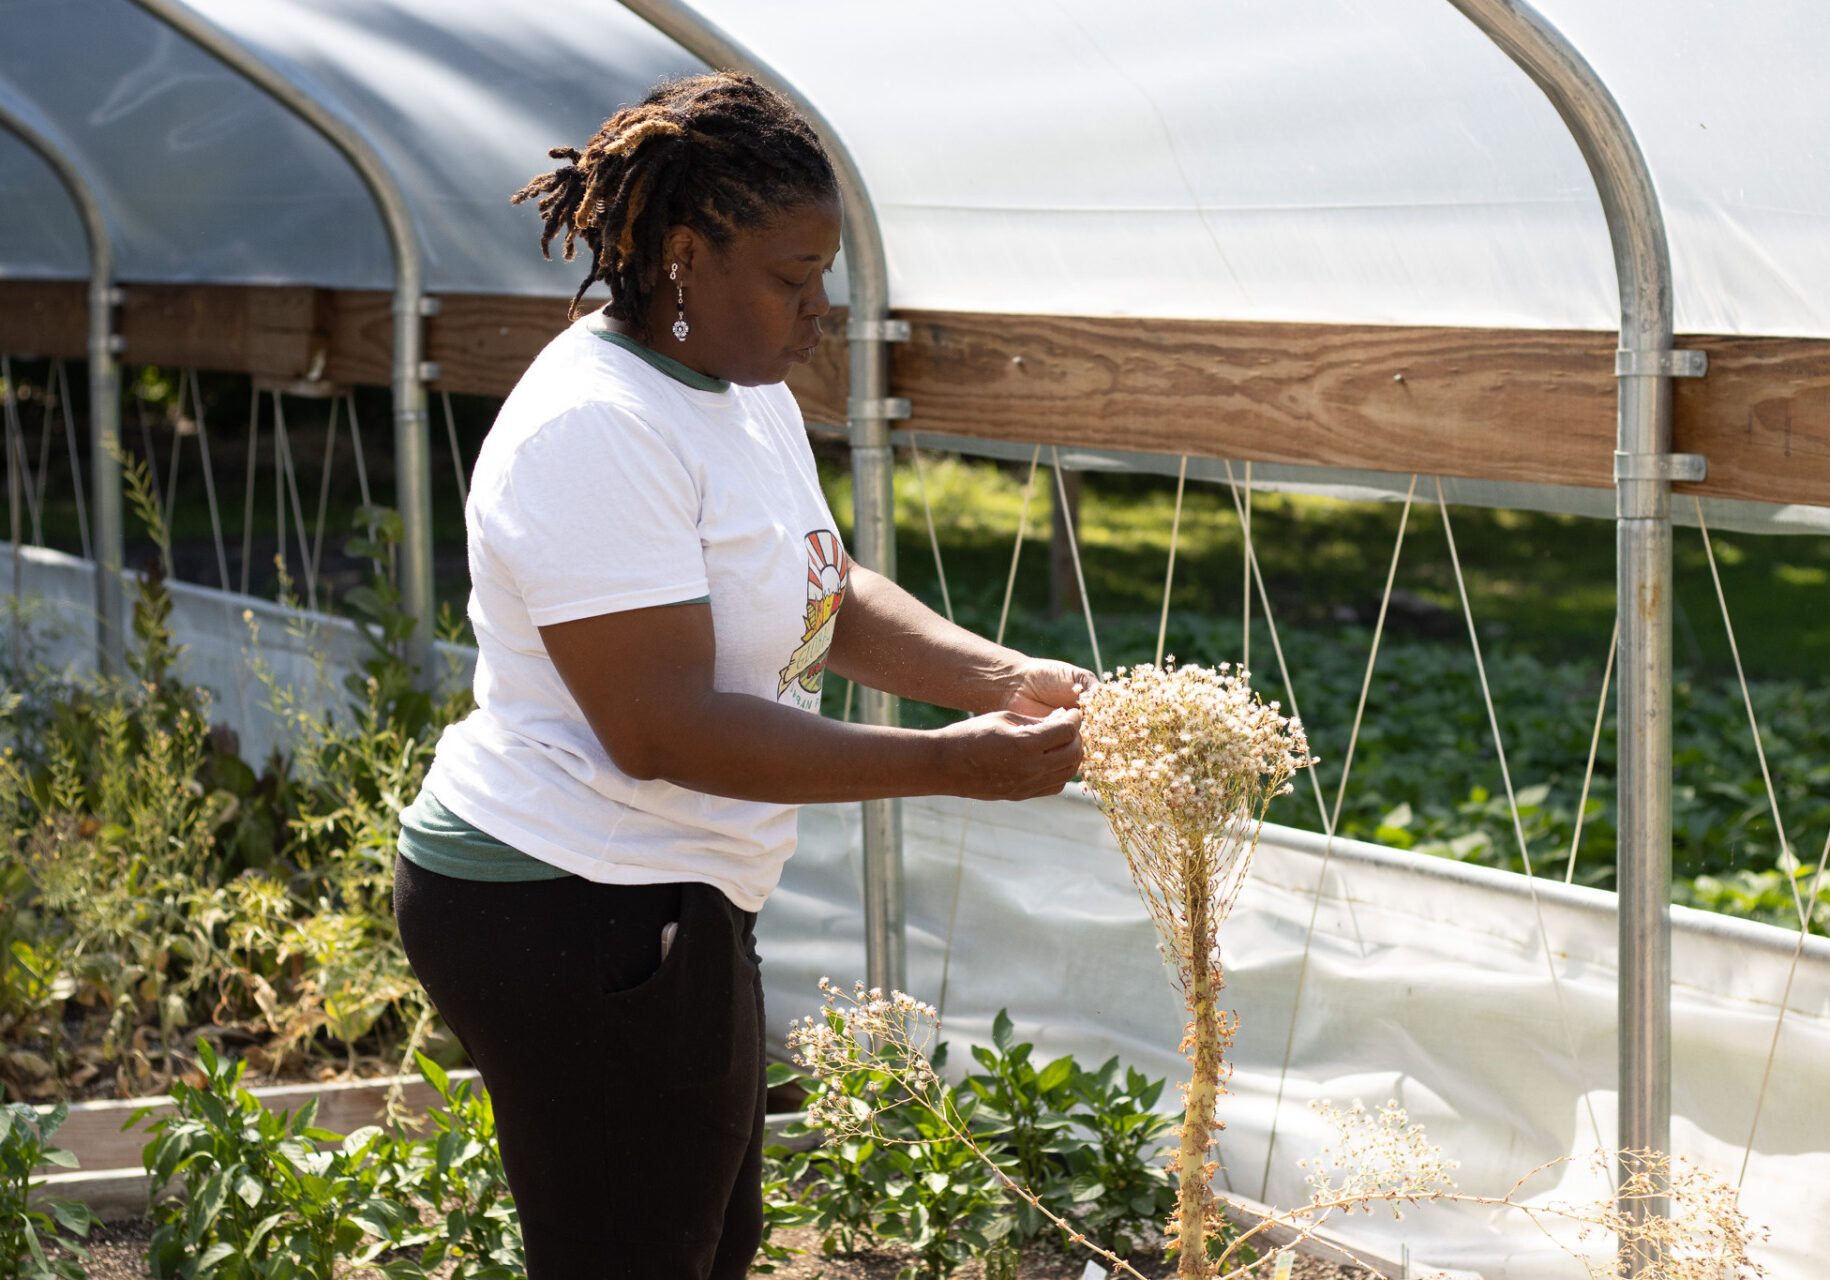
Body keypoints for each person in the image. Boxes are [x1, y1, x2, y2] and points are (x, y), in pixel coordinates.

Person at [392, 72, 1091, 1280]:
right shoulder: (595, 427)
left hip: (659, 887)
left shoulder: (733, 388)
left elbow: (822, 585)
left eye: (822, 274)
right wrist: (954, 768)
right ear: (680, 253)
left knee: (703, 1246)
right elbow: (657, 727)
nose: (817, 307)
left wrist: (997, 676)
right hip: (569, 898)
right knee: (637, 1253)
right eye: (790, 275)